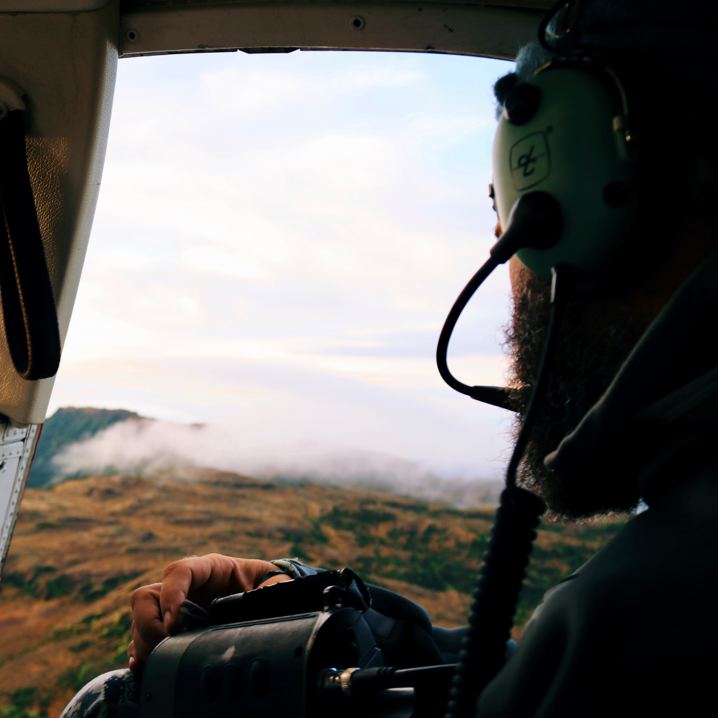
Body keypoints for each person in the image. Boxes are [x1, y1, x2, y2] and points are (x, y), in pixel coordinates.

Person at [62, 0, 718, 716]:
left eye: (513, 203)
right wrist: (340, 616)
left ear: (581, 200)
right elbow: (507, 677)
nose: (505, 245)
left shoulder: (648, 620)